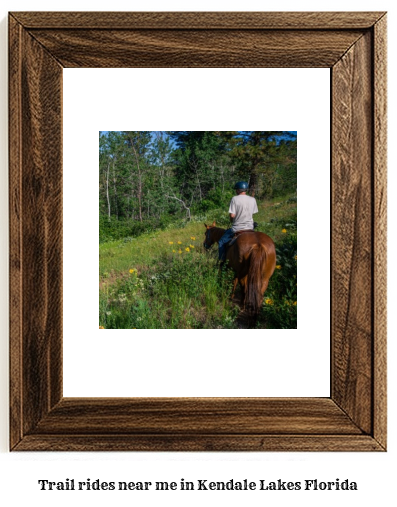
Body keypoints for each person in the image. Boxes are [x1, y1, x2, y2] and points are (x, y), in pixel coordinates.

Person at [218, 181, 258, 262]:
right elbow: (252, 213)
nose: (236, 191)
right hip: (250, 228)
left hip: (237, 228)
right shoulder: (252, 199)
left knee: (221, 242)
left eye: (236, 189)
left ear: (238, 190)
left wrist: (231, 220)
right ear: (245, 190)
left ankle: (222, 261)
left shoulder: (234, 199)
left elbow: (232, 215)